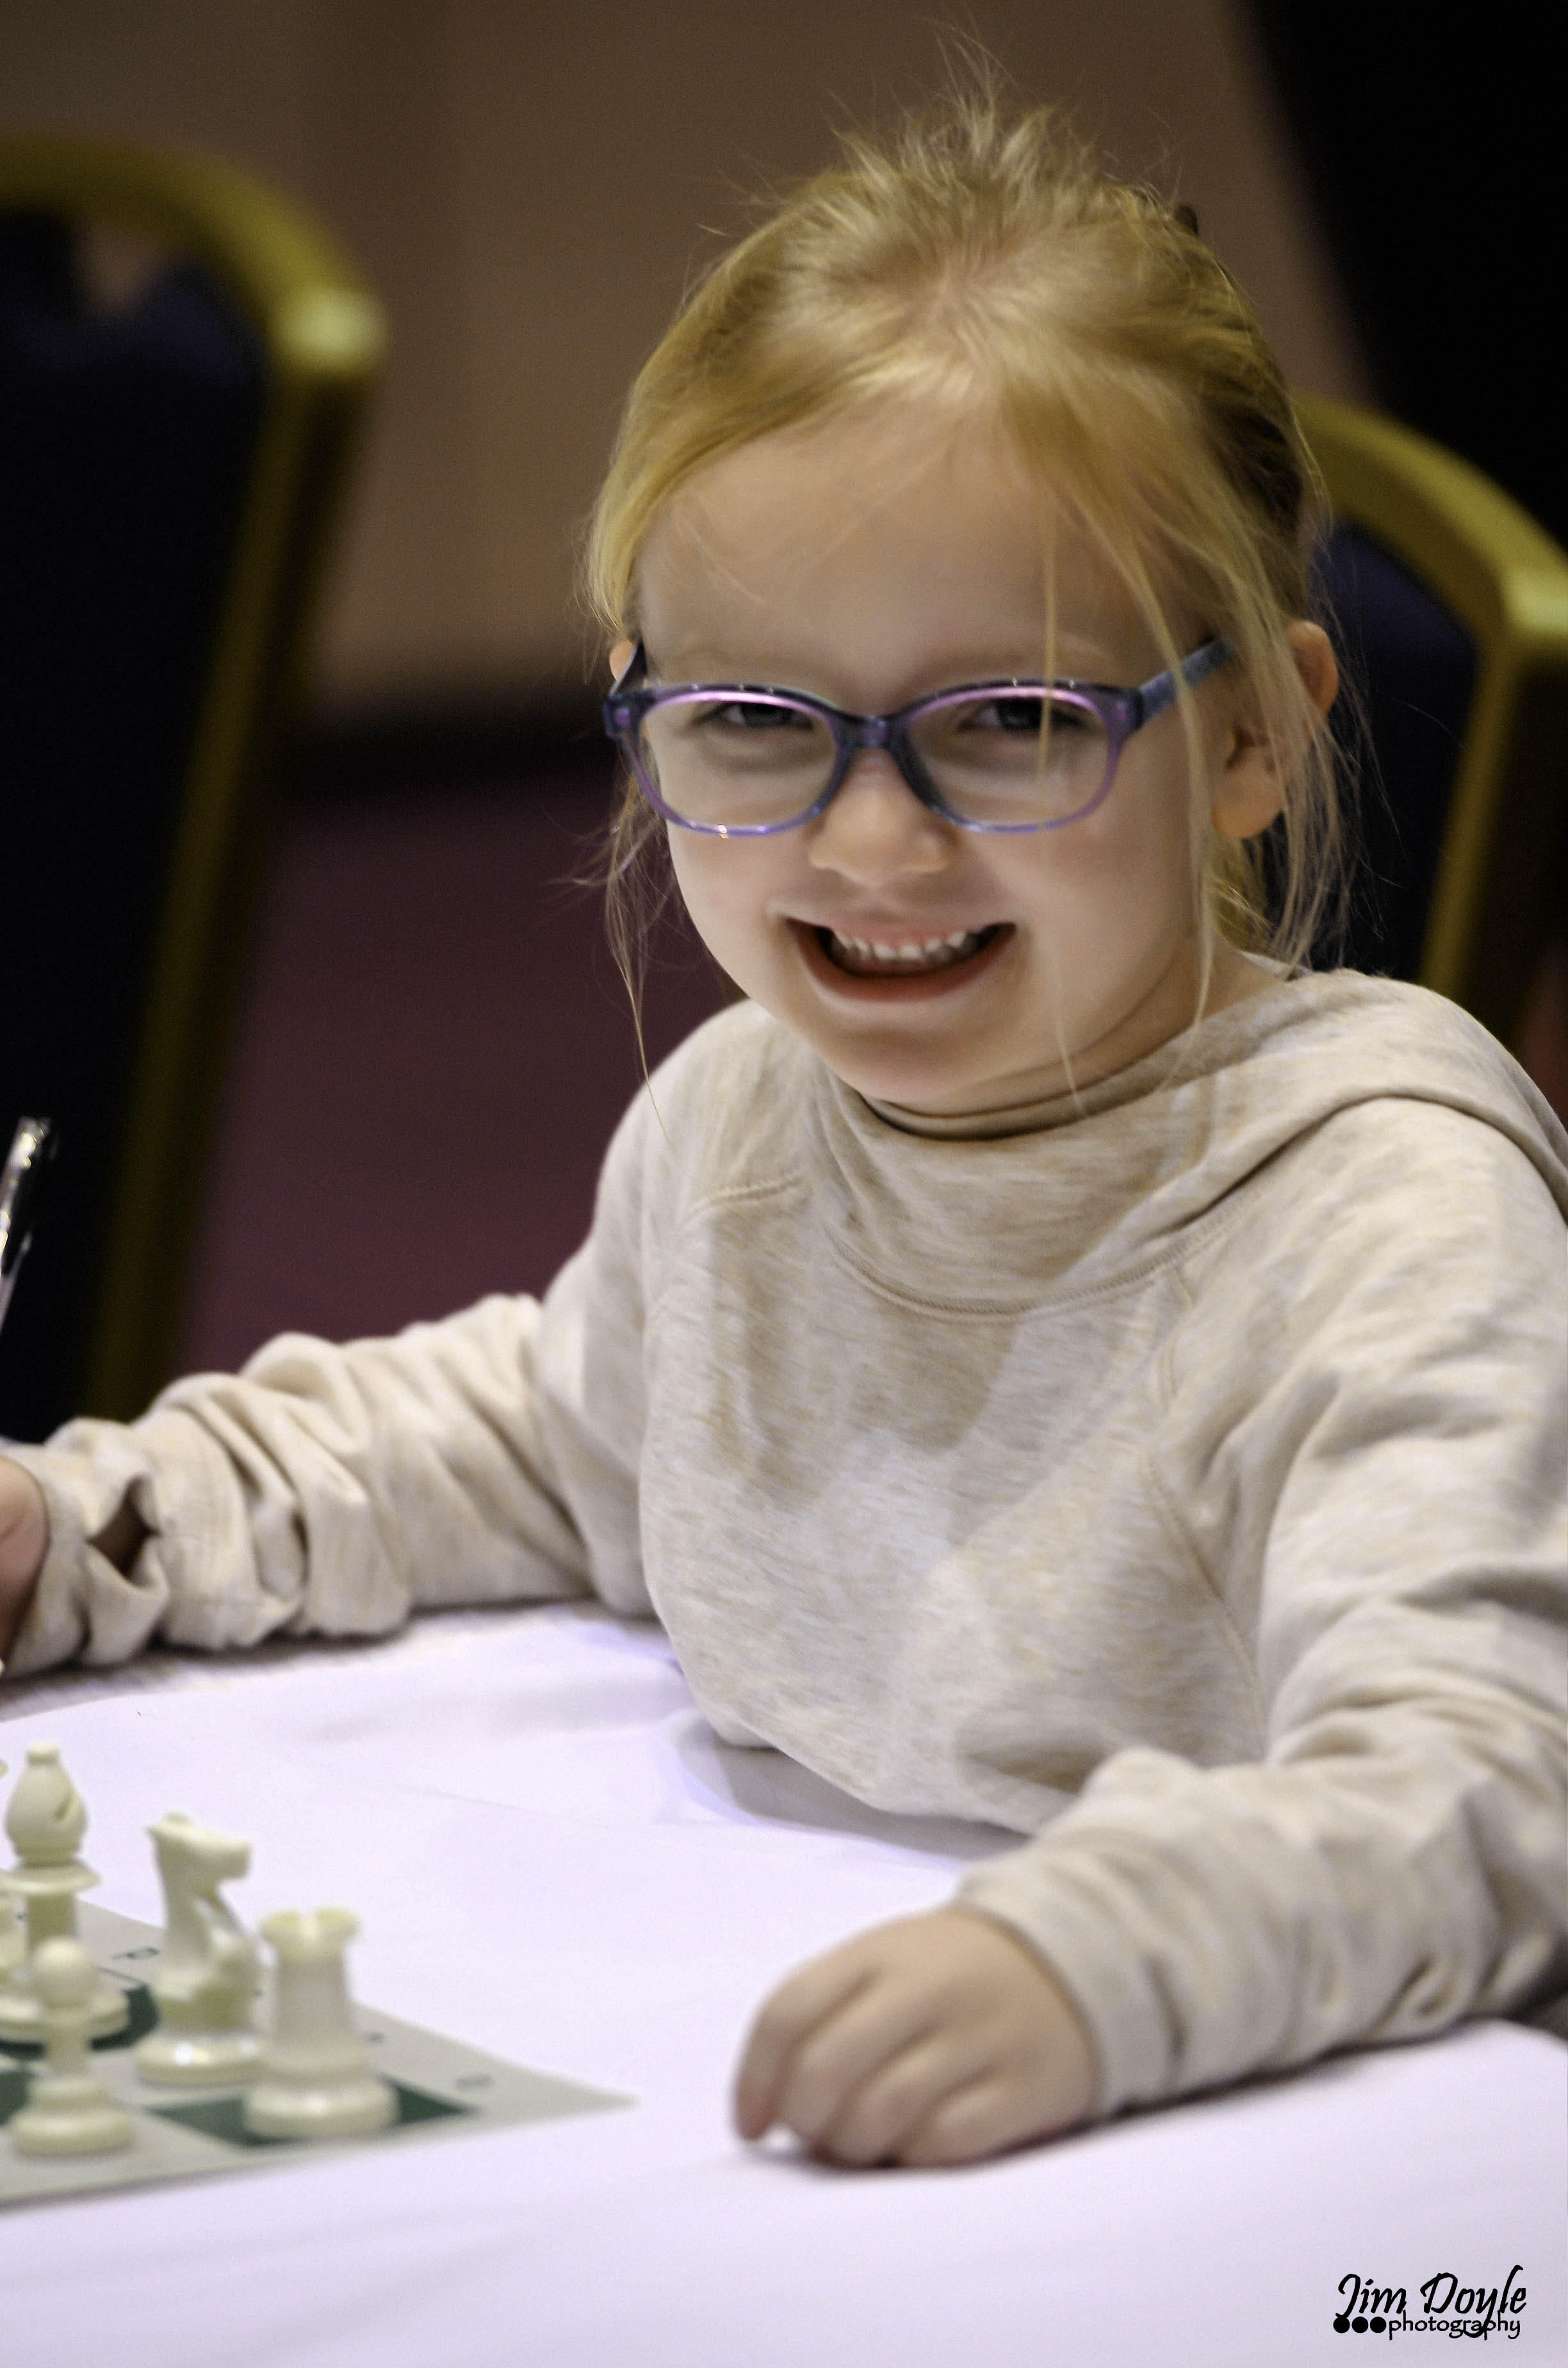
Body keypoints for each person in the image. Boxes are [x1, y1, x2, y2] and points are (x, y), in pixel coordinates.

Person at [1, 98, 1564, 2170]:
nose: (870, 843)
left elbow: (1481, 1785)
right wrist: (84, 1531)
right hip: (796, 2094)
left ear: (1257, 732)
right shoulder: (748, 1118)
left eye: (1011, 722)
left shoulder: (1385, 1212)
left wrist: (1094, 1966)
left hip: (1232, 2157)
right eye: (752, 724)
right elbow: (550, 1443)